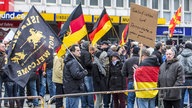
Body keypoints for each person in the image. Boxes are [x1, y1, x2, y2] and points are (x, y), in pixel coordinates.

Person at [177, 41, 192, 107]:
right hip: (191, 79)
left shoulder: (179, 56)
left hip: (181, 79)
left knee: (180, 97)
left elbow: (176, 68)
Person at [80, 41, 94, 108]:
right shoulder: (87, 53)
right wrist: (93, 64)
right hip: (88, 74)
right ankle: (91, 105)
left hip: (81, 74)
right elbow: (87, 63)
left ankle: (84, 105)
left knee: (83, 91)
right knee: (90, 91)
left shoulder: (80, 52)